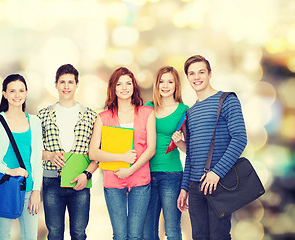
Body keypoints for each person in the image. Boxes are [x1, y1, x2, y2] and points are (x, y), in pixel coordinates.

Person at [177, 55, 247, 239]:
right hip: (195, 186)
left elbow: (240, 139)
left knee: (219, 236)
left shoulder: (227, 100)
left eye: (201, 72)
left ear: (209, 74)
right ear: (187, 77)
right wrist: (185, 188)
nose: (196, 77)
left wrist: (217, 173)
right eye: (191, 73)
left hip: (220, 183)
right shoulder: (190, 112)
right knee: (198, 236)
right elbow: (191, 154)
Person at [89, 67, 156, 240]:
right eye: (119, 84)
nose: (124, 88)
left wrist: (130, 169)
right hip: (113, 180)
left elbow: (151, 149)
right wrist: (121, 158)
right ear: (113, 88)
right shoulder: (103, 117)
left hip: (140, 179)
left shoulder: (147, 113)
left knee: (135, 235)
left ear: (134, 86)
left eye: (128, 83)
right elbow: (93, 153)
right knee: (119, 235)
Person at [0, 74, 43, 239]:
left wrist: (36, 190)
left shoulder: (34, 121)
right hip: (4, 187)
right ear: (4, 94)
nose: (17, 95)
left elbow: (36, 159)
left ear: (26, 92)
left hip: (28, 189)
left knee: (30, 237)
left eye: (21, 90)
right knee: (3, 236)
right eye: (12, 91)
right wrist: (9, 171)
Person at [37, 64, 98, 240]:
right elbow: (33, 151)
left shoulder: (91, 116)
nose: (66, 86)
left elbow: (97, 154)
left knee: (79, 234)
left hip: (80, 182)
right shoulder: (43, 115)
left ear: (77, 84)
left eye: (70, 82)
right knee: (54, 234)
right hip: (52, 182)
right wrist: (49, 155)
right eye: (62, 82)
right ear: (55, 84)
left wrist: (86, 175)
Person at [144, 66, 188, 240]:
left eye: (170, 81)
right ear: (156, 84)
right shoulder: (148, 108)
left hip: (172, 174)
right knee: (148, 231)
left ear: (176, 85)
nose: (165, 85)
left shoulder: (183, 110)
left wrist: (179, 141)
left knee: (172, 230)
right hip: (147, 173)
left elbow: (188, 149)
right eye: (162, 81)